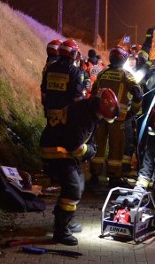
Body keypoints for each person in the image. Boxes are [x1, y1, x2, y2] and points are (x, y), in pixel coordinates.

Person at [40, 88, 120, 245]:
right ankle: (61, 232)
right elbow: (75, 146)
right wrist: (91, 151)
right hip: (56, 152)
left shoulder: (88, 111)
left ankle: (65, 220)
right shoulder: (84, 116)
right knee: (73, 188)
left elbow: (82, 139)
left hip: (63, 151)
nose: (102, 118)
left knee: (79, 183)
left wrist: (90, 148)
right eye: (102, 115)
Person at [90, 47, 143, 186]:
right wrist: (133, 112)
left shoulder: (102, 74)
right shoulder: (126, 75)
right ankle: (114, 177)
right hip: (117, 118)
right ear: (124, 59)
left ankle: (95, 176)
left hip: (100, 116)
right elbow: (138, 94)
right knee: (116, 146)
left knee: (98, 144)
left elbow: (93, 92)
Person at [41, 39, 86, 126]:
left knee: (50, 134)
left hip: (51, 111)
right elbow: (77, 95)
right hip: (66, 113)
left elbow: (44, 90)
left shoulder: (50, 68)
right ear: (72, 53)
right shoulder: (74, 71)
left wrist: (46, 108)